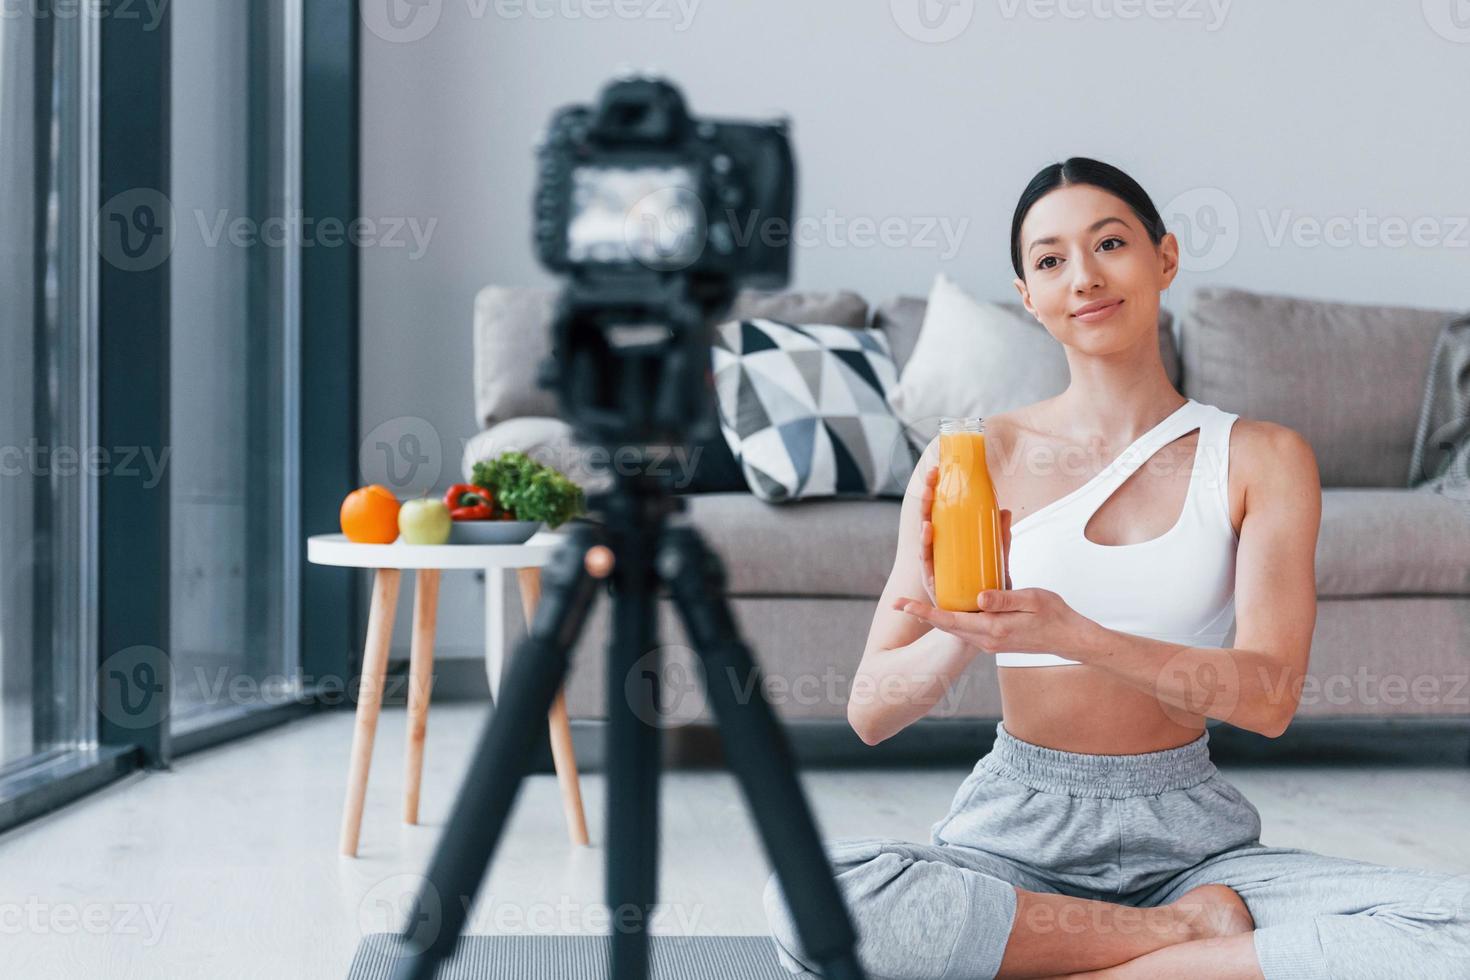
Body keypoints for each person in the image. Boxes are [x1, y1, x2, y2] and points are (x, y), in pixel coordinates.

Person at [763, 158, 1470, 979]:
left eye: (1110, 244)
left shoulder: (1261, 457)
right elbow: (871, 713)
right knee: (820, 902)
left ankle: (1061, 961)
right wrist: (962, 635)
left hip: (1196, 849)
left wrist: (1079, 636)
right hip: (1014, 844)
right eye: (1051, 260)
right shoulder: (974, 455)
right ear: (1027, 294)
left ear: (1164, 258)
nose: (1085, 278)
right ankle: (1184, 944)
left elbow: (1269, 699)